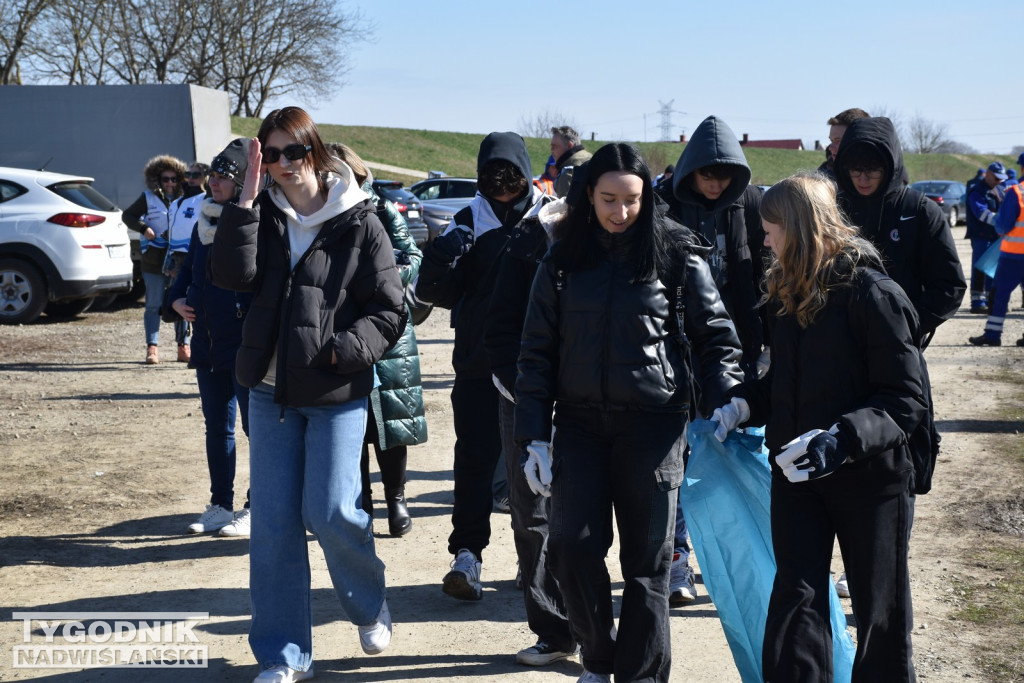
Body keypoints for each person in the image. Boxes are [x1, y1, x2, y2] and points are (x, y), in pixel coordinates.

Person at [514, 143, 745, 683]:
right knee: (572, 551)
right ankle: (599, 658)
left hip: (654, 426)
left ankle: (641, 675)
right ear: (587, 196)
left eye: (633, 201)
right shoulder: (562, 259)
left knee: (648, 565)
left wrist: (731, 395)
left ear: (648, 197)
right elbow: (535, 352)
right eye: (608, 199)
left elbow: (716, 337)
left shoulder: (675, 253)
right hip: (578, 426)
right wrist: (534, 438)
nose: (620, 213)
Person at [210, 106, 405, 683]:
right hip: (269, 391)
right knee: (272, 523)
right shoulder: (260, 212)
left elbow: (392, 308)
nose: (283, 164)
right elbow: (232, 275)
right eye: (270, 155)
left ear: (314, 152)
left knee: (330, 509)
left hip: (336, 389)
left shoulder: (360, 220)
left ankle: (370, 603)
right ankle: (282, 655)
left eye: (292, 152)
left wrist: (346, 349)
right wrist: (241, 204)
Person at [745, 173, 927, 682]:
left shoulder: (875, 295)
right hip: (799, 476)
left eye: (771, 230)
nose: (765, 241)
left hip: (872, 479)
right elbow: (783, 380)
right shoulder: (787, 294)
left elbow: (904, 399)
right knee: (796, 599)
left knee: (879, 612)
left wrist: (841, 439)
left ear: (800, 229)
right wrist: (742, 404)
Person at [417, 131, 550, 602]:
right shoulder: (466, 219)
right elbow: (436, 294)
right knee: (474, 461)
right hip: (476, 364)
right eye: (492, 183)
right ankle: (467, 555)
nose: (503, 191)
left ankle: (533, 557)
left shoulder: (550, 215)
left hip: (535, 364)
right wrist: (440, 254)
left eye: (511, 181)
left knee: (534, 464)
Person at [660, 113, 767, 604]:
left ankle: (731, 559)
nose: (716, 184)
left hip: (732, 352)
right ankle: (677, 559)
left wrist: (760, 344)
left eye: (725, 175)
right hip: (677, 352)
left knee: (729, 452)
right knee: (677, 458)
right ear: (690, 170)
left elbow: (757, 276)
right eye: (707, 174)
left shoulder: (747, 205)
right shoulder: (661, 204)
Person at [483, 177, 568, 665]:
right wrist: (525, 397)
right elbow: (498, 329)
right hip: (520, 398)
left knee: (581, 519)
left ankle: (591, 628)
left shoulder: (615, 243)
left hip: (588, 406)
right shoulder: (524, 245)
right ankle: (553, 632)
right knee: (530, 516)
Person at [327, 142, 427, 537]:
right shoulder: (321, 211)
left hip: (388, 328)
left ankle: (396, 499)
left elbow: (412, 256)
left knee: (391, 421)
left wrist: (381, 279)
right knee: (354, 423)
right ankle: (362, 500)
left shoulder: (381, 208)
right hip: (343, 328)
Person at [167, 138, 254, 536]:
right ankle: (220, 504)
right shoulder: (204, 218)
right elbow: (186, 273)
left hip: (244, 342)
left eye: (222, 176)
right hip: (208, 341)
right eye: (212, 175)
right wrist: (176, 300)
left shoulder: (254, 221)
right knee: (217, 427)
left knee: (258, 430)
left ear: (240, 183)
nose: (213, 182)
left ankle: (258, 507)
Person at [833, 117, 966, 346]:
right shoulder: (833, 209)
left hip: (899, 342)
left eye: (872, 170)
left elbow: (949, 286)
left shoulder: (919, 210)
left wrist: (909, 324)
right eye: (856, 170)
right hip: (842, 343)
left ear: (889, 166)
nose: (863, 179)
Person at [122, 155, 187, 365]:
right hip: (153, 260)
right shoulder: (148, 197)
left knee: (181, 303)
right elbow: (128, 216)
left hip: (178, 260)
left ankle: (182, 346)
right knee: (153, 305)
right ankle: (152, 347)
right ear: (157, 180)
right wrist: (144, 228)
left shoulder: (186, 198)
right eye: (165, 179)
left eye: (174, 179)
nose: (169, 183)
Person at [968, 174, 1024, 346]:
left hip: (1014, 255)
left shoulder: (1017, 192)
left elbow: (1003, 225)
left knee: (999, 294)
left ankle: (992, 335)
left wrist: (1000, 226)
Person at [964, 162, 1008, 313]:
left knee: (994, 269)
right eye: (996, 178)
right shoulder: (977, 191)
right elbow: (981, 213)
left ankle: (991, 300)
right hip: (981, 236)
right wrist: (1002, 219)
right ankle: (977, 302)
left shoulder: (1000, 189)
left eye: (1001, 179)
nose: (999, 181)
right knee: (980, 268)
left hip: (996, 236)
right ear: (988, 175)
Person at [818, 108, 870, 179]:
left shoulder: (881, 177)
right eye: (831, 141)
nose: (830, 148)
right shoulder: (824, 179)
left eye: (838, 141)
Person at [551, 125, 593, 198]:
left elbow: (564, 208)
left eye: (555, 146)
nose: (551, 150)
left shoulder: (568, 172)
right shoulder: (592, 158)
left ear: (570, 145)